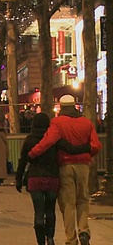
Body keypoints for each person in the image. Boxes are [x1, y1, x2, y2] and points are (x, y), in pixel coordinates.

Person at [28, 94, 102, 245]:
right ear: (75, 105)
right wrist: (89, 154)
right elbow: (96, 146)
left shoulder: (57, 122)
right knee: (83, 199)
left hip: (65, 166)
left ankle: (71, 238)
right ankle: (84, 230)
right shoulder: (86, 123)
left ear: (61, 107)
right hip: (83, 166)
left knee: (68, 204)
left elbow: (47, 142)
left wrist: (32, 153)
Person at [16, 112, 91, 245]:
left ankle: (41, 242)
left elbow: (23, 160)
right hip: (52, 178)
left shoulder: (29, 140)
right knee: (50, 210)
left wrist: (19, 178)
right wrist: (88, 147)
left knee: (38, 212)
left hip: (35, 179)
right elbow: (71, 149)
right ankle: (50, 239)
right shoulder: (54, 139)